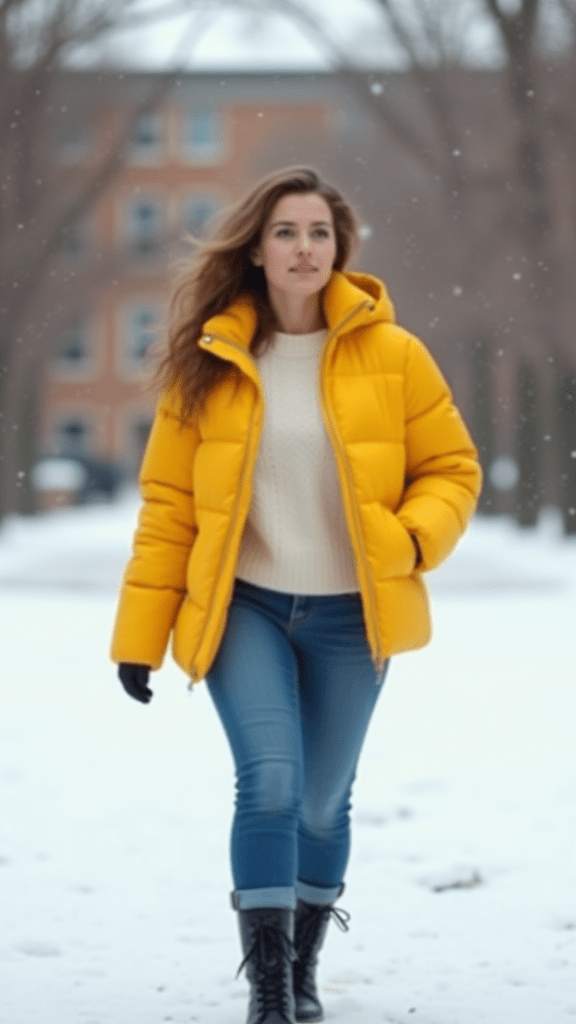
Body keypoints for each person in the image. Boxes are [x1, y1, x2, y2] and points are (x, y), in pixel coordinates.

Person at [111, 166, 482, 1024]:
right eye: (286, 232)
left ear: (339, 249)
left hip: (357, 615)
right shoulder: (211, 360)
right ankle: (271, 991)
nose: (304, 248)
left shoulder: (394, 354)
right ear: (257, 249)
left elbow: (452, 470)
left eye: (318, 232)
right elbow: (169, 507)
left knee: (322, 800)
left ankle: (306, 961)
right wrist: (139, 633)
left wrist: (410, 538)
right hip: (248, 609)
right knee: (271, 782)